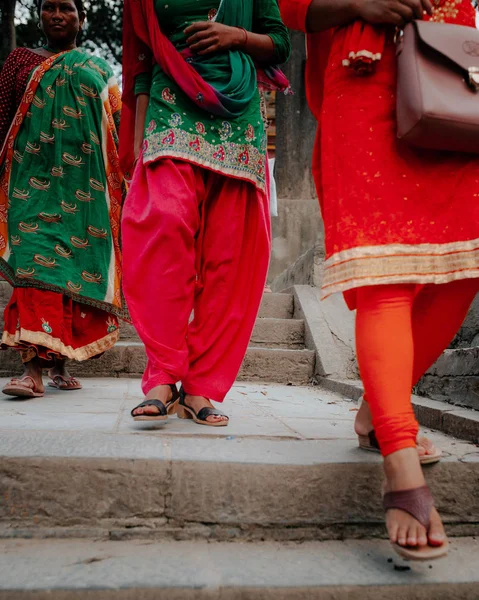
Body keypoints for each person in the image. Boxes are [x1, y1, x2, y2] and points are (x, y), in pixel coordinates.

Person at [279, 0, 479, 560]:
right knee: (386, 277)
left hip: (454, 77)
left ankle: (375, 408)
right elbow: (288, 7)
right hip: (363, 83)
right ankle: (399, 461)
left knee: (463, 269)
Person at [121, 0, 291, 426]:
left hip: (239, 108)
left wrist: (237, 37)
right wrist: (138, 140)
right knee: (162, 219)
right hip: (169, 98)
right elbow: (139, 58)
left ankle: (200, 387)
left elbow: (281, 42)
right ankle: (162, 373)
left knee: (230, 255)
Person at [0, 0, 126, 398]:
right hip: (29, 185)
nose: (57, 14)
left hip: (83, 192)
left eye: (66, 8)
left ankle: (59, 363)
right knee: (37, 268)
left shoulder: (99, 70)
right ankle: (32, 372)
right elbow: (2, 117)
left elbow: (118, 125)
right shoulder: (20, 62)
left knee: (72, 270)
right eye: (49, 7)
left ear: (81, 18)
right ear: (39, 17)